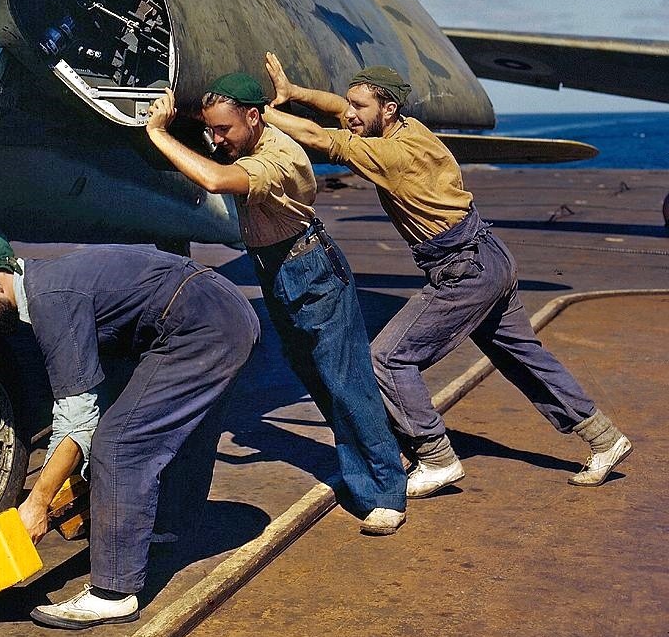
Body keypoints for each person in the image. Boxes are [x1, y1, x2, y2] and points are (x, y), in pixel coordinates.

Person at [262, 54, 632, 498]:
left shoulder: (389, 153)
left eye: (360, 107)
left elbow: (317, 137)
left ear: (388, 109)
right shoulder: (409, 128)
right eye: (351, 105)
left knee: (387, 359)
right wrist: (294, 92)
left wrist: (257, 111)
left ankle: (436, 457)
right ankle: (605, 439)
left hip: (462, 269)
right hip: (490, 255)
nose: (351, 114)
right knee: (524, 358)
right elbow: (336, 110)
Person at [0, 232, 259, 629]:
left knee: (118, 443)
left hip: (204, 323)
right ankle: (166, 530)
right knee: (166, 427)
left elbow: (78, 417)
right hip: (221, 314)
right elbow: (83, 403)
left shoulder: (50, 300)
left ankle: (112, 593)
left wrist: (37, 503)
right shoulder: (49, 281)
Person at [145, 74, 407, 536]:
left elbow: (214, 179)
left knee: (348, 382)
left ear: (253, 116)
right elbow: (219, 150)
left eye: (224, 130)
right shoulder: (245, 141)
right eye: (210, 130)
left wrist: (159, 133)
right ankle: (362, 472)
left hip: (310, 271)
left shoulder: (278, 158)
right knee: (320, 381)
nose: (215, 139)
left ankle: (386, 491)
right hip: (275, 268)